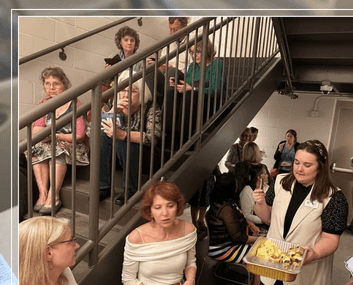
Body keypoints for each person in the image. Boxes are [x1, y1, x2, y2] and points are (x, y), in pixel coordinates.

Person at [253, 140, 349, 285]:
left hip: (305, 267)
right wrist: (261, 203)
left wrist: (313, 253)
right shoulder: (281, 182)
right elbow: (267, 219)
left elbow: (331, 239)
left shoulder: (333, 197)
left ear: (320, 168)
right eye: (297, 162)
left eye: (307, 165)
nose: (299, 169)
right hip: (274, 261)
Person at [121, 181, 200, 285]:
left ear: (177, 207)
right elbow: (128, 279)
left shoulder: (188, 230)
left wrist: (190, 281)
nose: (165, 213)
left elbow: (191, 262)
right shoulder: (137, 238)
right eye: (158, 207)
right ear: (150, 211)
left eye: (170, 206)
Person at [25, 67, 89, 214]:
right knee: (35, 147)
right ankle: (43, 194)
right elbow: (36, 130)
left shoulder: (75, 104)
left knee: (56, 148)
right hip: (49, 142)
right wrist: (49, 135)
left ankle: (54, 196)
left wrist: (54, 135)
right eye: (47, 83)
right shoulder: (44, 103)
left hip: (73, 146)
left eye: (56, 83)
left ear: (65, 85)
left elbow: (78, 136)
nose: (51, 87)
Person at [99, 73, 162, 205]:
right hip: (117, 155)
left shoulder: (150, 107)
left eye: (132, 91)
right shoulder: (112, 104)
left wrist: (123, 134)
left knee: (125, 139)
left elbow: (152, 138)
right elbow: (91, 132)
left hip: (144, 157)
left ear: (141, 93)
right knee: (102, 135)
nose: (125, 95)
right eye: (122, 90)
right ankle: (103, 186)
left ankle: (130, 189)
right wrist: (112, 113)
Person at [205, 173, 260, 285]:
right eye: (235, 184)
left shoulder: (224, 202)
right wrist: (260, 240)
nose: (237, 186)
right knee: (260, 257)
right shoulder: (226, 209)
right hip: (222, 250)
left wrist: (248, 223)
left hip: (226, 244)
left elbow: (236, 219)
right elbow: (239, 238)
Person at [166, 39, 225, 149]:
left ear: (206, 50)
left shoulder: (217, 64)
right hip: (194, 98)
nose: (193, 55)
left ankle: (183, 136)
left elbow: (215, 90)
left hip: (211, 101)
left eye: (197, 52)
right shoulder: (193, 66)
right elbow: (188, 84)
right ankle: (167, 132)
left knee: (190, 95)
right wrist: (179, 84)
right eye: (191, 52)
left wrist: (192, 88)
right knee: (171, 93)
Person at [239, 163, 270, 228]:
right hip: (255, 226)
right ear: (259, 177)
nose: (267, 175)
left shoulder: (267, 188)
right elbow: (246, 215)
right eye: (265, 173)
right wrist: (264, 220)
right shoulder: (247, 190)